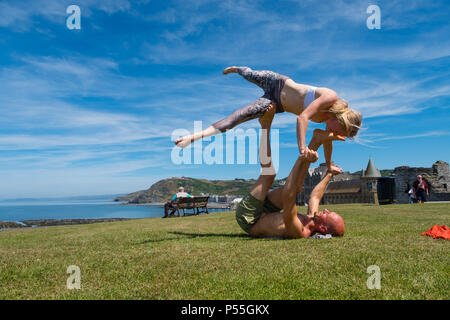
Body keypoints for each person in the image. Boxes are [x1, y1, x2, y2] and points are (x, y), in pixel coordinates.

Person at [175, 66, 362, 171]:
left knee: (236, 119)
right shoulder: (330, 97)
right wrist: (302, 149)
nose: (333, 133)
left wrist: (329, 164)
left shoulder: (327, 122)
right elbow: (302, 117)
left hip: (274, 103)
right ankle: (238, 69)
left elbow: (328, 141)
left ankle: (192, 137)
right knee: (249, 74)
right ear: (340, 118)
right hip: (278, 82)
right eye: (338, 130)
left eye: (337, 133)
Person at [235, 104, 345, 239]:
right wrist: (329, 174)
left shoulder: (298, 230)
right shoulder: (312, 218)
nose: (326, 210)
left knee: (269, 174)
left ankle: (265, 124)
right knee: (298, 188)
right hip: (267, 211)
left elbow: (288, 195)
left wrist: (300, 161)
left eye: (327, 215)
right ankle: (316, 140)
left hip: (249, 218)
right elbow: (315, 196)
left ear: (322, 228)